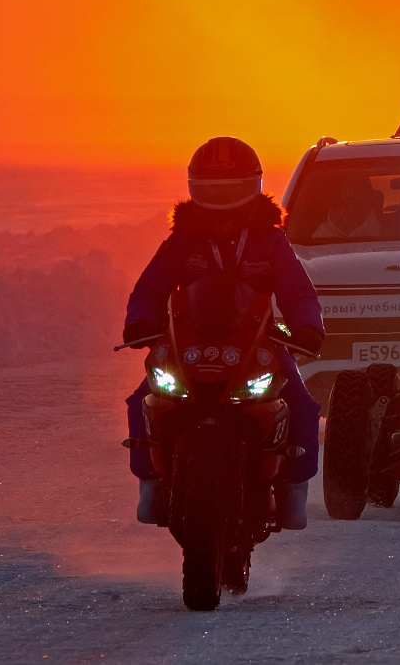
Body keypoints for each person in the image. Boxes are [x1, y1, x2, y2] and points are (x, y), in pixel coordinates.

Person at [121, 137, 325, 530]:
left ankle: (292, 491)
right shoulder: (182, 240)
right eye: (212, 189)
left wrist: (307, 328)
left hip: (257, 340)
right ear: (195, 188)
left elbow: (298, 290)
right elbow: (151, 285)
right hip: (188, 342)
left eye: (230, 190)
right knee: (141, 399)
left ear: (253, 187)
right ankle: (149, 481)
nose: (221, 199)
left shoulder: (271, 239)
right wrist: (140, 321)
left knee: (302, 404)